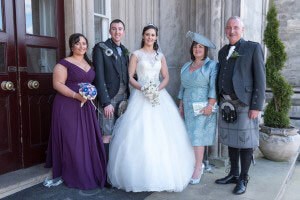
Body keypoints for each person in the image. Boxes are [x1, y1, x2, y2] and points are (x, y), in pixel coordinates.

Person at [107, 24, 195, 192]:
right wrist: (143, 89)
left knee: (163, 133)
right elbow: (131, 77)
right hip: (140, 96)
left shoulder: (160, 55)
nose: (150, 37)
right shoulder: (136, 54)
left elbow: (166, 76)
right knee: (140, 132)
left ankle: (162, 173)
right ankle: (139, 174)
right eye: (147, 34)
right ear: (143, 36)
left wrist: (157, 89)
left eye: (153, 35)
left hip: (159, 96)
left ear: (156, 37)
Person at [45, 33, 106, 189]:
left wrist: (90, 94)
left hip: (85, 105)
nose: (81, 46)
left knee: (86, 139)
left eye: (84, 43)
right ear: (71, 46)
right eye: (77, 43)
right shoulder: (63, 64)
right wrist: (76, 96)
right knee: (73, 139)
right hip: (68, 104)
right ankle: (74, 173)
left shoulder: (89, 64)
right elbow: (57, 84)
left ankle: (88, 170)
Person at [215, 16, 266, 195]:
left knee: (245, 143)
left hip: (245, 104)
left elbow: (260, 78)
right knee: (231, 141)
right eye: (228, 27)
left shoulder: (252, 48)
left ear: (242, 30)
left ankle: (244, 177)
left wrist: (257, 106)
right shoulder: (222, 51)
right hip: (226, 104)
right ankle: (233, 174)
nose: (232, 31)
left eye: (235, 27)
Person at [178, 31, 218, 185]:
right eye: (195, 46)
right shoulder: (186, 66)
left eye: (201, 47)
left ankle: (198, 167)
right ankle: (193, 163)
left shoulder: (211, 65)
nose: (197, 49)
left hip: (203, 106)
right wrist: (180, 105)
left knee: (197, 136)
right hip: (187, 105)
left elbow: (213, 86)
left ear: (205, 49)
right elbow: (182, 86)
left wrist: (211, 104)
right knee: (189, 136)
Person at [92, 19, 130, 163]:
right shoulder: (100, 48)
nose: (117, 32)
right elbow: (99, 77)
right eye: (114, 29)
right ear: (109, 31)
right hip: (109, 99)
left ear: (123, 32)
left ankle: (115, 170)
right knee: (106, 134)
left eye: (120, 29)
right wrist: (105, 102)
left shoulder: (125, 51)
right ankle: (105, 174)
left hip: (124, 99)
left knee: (120, 134)